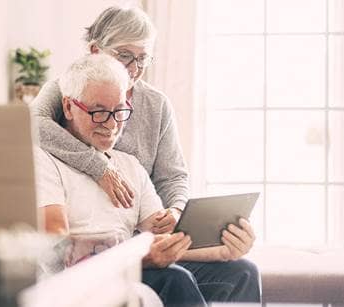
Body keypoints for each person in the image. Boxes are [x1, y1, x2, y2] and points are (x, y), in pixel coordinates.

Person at [35, 54, 260, 306]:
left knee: (242, 272)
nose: (111, 124)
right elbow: (55, 245)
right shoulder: (44, 161)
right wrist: (140, 258)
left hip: (131, 268)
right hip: (81, 282)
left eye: (120, 111)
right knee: (174, 278)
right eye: (98, 112)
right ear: (68, 106)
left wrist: (223, 250)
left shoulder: (128, 165)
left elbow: (166, 238)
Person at [31, 6, 183, 234]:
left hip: (141, 231)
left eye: (142, 58)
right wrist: (100, 167)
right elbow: (32, 126)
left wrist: (176, 210)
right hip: (89, 237)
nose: (134, 68)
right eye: (124, 55)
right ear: (95, 51)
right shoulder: (68, 89)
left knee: (239, 268)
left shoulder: (157, 105)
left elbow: (172, 177)